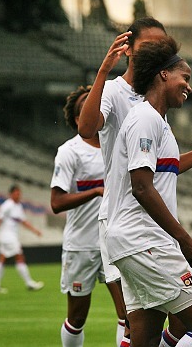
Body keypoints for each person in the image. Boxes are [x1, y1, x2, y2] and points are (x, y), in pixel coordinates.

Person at [104, 35, 192, 347]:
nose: (188, 85)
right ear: (163, 74)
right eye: (184, 78)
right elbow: (142, 188)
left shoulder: (157, 121)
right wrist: (186, 240)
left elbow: (161, 172)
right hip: (144, 239)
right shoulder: (145, 118)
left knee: (143, 340)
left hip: (134, 241)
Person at [78, 17, 189, 347]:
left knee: (156, 322)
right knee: (142, 318)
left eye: (161, 46)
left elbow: (162, 168)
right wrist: (102, 72)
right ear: (128, 50)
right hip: (123, 216)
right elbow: (87, 130)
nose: (156, 52)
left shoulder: (158, 95)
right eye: (148, 46)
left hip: (153, 216)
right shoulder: (114, 90)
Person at [50, 86, 128, 347]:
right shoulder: (69, 151)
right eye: (86, 104)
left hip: (114, 243)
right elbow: (57, 202)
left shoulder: (117, 146)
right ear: (77, 119)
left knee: (128, 313)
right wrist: (95, 191)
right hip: (81, 245)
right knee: (77, 317)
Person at [0, 184, 44, 293]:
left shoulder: (18, 206)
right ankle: (29, 283)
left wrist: (35, 231)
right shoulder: (7, 205)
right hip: (8, 237)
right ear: (11, 194)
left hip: (8, 237)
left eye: (19, 193)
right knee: (19, 257)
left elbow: (23, 222)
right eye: (16, 193)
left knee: (2, 259)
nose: (18, 195)